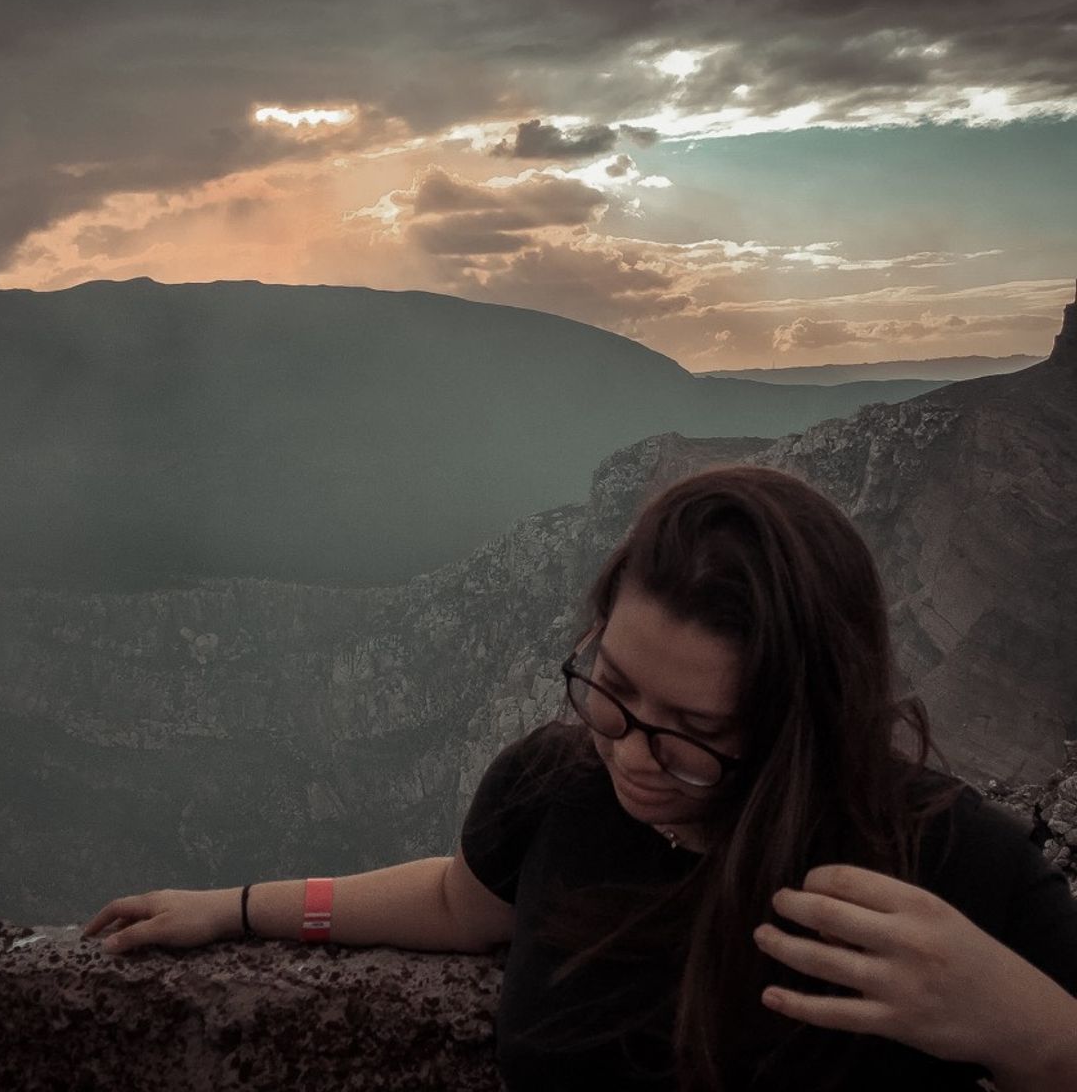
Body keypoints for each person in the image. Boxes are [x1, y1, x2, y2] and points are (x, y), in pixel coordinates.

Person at [84, 466, 1077, 1092]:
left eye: (694, 733)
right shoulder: (554, 784)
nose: (631, 751)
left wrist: (1030, 1032)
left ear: (797, 723)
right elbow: (456, 898)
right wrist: (235, 907)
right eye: (613, 687)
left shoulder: (940, 859)